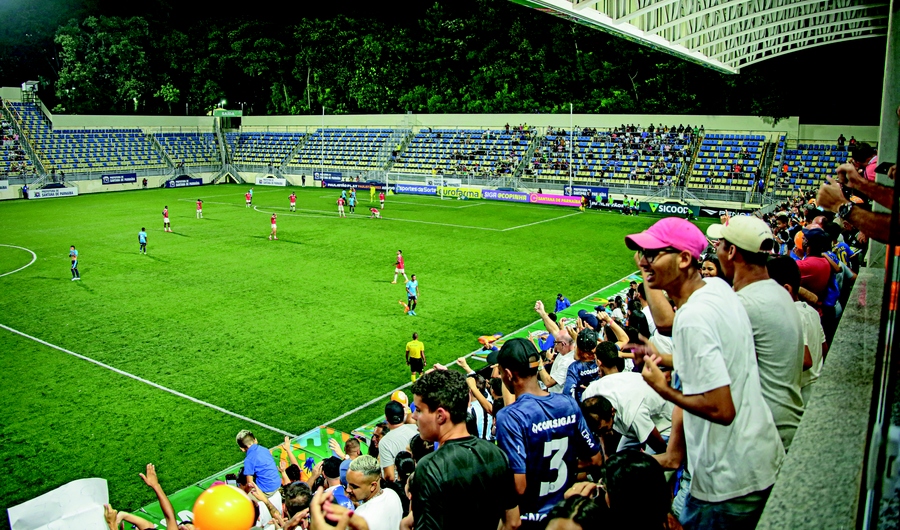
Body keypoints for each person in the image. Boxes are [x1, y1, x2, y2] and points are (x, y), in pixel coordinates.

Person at [625, 217, 784, 529]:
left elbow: (722, 409)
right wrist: (666, 358)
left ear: (684, 259)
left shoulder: (694, 316)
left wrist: (663, 389)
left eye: (652, 254)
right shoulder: (716, 288)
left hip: (728, 481)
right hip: (756, 460)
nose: (643, 261)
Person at [707, 215, 805, 450]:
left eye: (719, 244)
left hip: (764, 436)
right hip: (782, 423)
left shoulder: (743, 305)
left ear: (731, 251)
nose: (716, 249)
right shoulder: (778, 292)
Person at [493, 338, 603, 527]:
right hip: (566, 515)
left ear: (509, 375)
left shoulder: (510, 417)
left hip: (533, 520)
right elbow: (595, 460)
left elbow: (519, 487)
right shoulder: (568, 404)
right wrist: (562, 466)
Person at [409, 368, 521, 530]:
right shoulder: (496, 454)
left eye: (419, 410)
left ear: (440, 415)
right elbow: (513, 522)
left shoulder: (429, 468)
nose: (414, 416)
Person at [767, 256, 828, 408]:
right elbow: (824, 349)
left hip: (802, 394)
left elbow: (805, 361)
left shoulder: (791, 314)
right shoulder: (810, 312)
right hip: (817, 386)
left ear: (786, 289)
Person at [343, 455, 403, 530]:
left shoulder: (360, 518)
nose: (348, 489)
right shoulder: (392, 494)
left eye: (354, 486)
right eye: (348, 484)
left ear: (373, 486)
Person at [236, 430, 283, 516]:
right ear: (255, 440)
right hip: (277, 483)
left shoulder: (249, 460)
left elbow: (250, 483)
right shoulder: (264, 449)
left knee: (242, 503)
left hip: (267, 490)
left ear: (242, 449)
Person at [379, 401, 419, 481]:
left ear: (386, 418)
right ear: (404, 415)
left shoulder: (384, 442)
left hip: (403, 485)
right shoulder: (416, 428)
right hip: (421, 476)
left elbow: (390, 477)